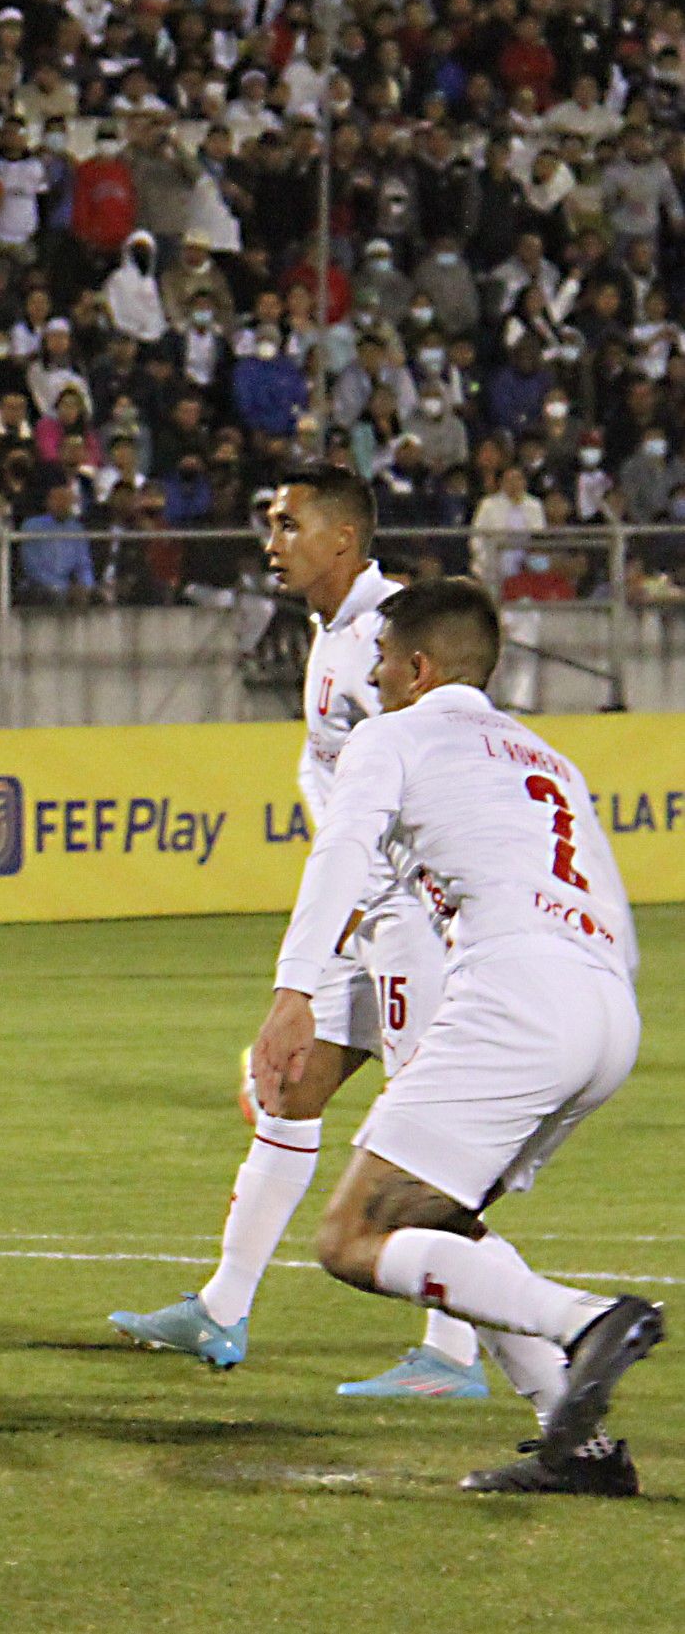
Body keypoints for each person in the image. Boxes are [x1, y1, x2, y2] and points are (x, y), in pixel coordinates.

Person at [255, 577, 655, 1497]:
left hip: (519, 998)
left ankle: (587, 1319)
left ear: (420, 667)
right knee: (444, 1217)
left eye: (384, 662)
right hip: (605, 1009)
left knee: (352, 1237)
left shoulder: (395, 735)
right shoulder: (549, 757)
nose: (375, 679)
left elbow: (341, 851)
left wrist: (294, 990)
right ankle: (580, 1449)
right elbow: (615, 915)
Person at [111, 472, 472, 1394]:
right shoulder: (333, 634)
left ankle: (457, 1350)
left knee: (424, 1136)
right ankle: (223, 1306)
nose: (270, 538)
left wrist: (402, 907)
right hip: (368, 915)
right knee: (290, 1093)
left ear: (343, 538)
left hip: (408, 920)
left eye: (288, 523)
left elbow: (436, 779)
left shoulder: (394, 637)